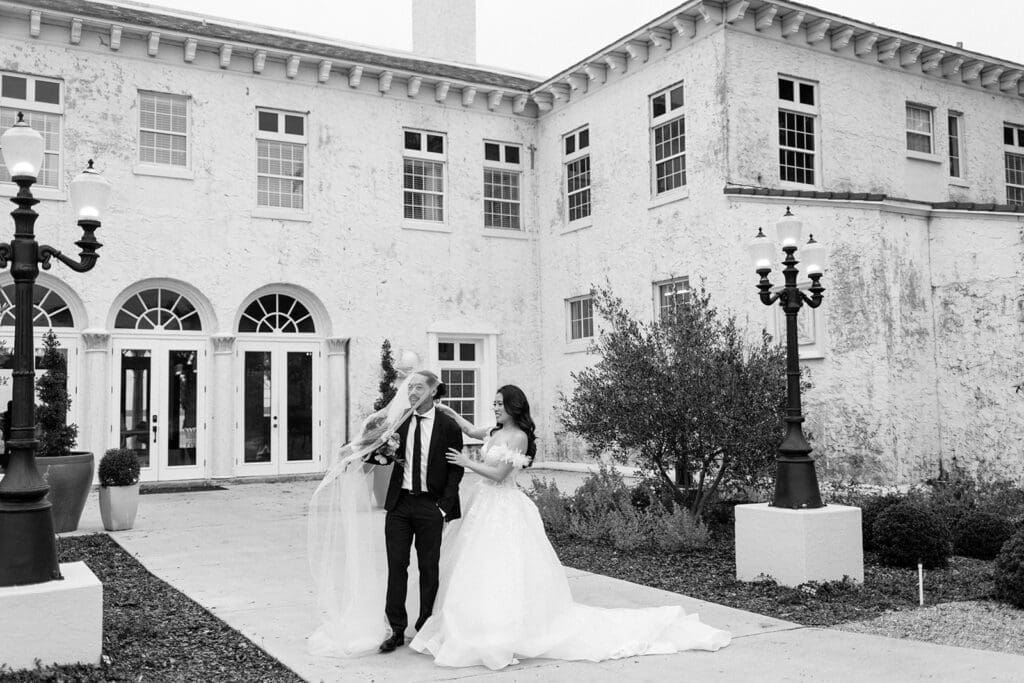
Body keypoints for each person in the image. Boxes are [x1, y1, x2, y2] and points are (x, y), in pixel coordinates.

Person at [409, 385, 730, 670]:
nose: (494, 407)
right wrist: (444, 409)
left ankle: (506, 631)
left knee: (504, 567)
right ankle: (475, 625)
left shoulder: (517, 436)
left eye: (499, 403)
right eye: (493, 403)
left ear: (513, 407)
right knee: (476, 568)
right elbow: (469, 429)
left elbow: (499, 475)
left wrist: (466, 463)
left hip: (503, 508)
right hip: (482, 507)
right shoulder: (494, 431)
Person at [374, 370, 464, 653]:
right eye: (409, 387)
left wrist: (443, 508)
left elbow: (455, 470)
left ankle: (425, 625)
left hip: (430, 505)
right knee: (396, 566)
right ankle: (396, 629)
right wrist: (373, 447)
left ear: (434, 391)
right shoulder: (397, 422)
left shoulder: (448, 426)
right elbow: (378, 455)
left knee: (429, 568)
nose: (412, 392)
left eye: (419, 387)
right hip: (399, 504)